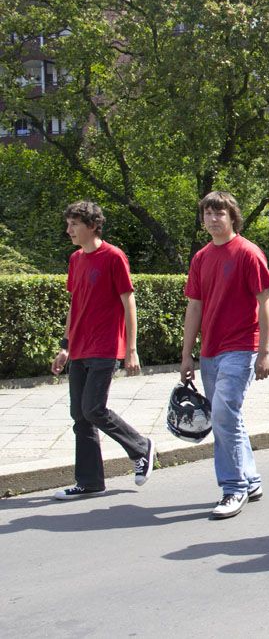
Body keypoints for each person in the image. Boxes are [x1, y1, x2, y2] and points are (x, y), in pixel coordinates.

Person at [50, 202, 155, 500]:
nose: (68, 230)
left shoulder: (113, 257)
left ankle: (140, 447)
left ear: (93, 226)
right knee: (79, 415)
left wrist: (131, 349)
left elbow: (128, 303)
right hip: (80, 347)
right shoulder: (75, 259)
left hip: (106, 346)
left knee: (93, 408)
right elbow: (75, 305)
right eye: (68, 223)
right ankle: (90, 482)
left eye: (74, 224)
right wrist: (65, 346)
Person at [181, 191, 269, 520]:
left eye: (218, 213)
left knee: (223, 414)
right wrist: (186, 355)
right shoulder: (201, 258)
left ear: (232, 216)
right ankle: (250, 479)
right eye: (207, 213)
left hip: (242, 348)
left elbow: (266, 302)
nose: (212, 219)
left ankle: (233, 488)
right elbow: (194, 307)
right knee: (229, 418)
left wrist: (264, 351)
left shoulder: (248, 253)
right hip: (210, 352)